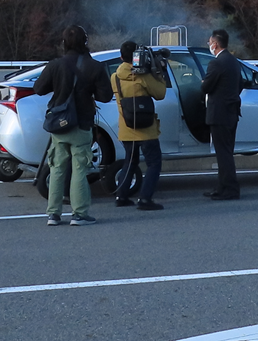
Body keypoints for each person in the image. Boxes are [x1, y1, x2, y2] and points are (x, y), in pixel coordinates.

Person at [34, 25, 112, 226]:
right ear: (85, 42)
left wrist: (59, 86)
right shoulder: (94, 67)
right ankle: (79, 214)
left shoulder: (56, 64)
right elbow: (105, 96)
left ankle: (53, 213)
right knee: (79, 169)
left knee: (57, 167)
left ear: (64, 43)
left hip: (59, 124)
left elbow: (39, 88)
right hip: (82, 123)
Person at [111, 41, 167, 210]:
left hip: (127, 127)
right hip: (146, 129)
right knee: (154, 163)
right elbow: (160, 94)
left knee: (130, 161)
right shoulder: (142, 76)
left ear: (121, 57)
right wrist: (158, 73)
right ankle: (145, 199)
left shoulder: (115, 77)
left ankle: (121, 195)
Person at [201, 29, 243, 200]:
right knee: (226, 151)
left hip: (219, 113)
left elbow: (206, 87)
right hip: (231, 111)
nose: (209, 44)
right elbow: (240, 84)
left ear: (215, 44)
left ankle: (230, 189)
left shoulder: (216, 63)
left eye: (209, 42)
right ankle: (222, 186)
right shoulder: (233, 61)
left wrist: (204, 82)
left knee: (223, 153)